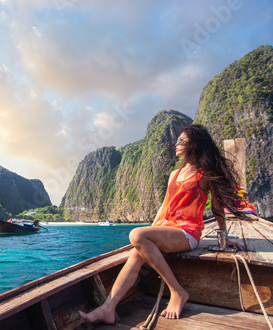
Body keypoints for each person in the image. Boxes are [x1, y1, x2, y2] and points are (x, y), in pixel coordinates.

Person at [79, 124, 243, 324]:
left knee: (136, 236)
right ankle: (108, 308)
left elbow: (218, 209)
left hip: (187, 233)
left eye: (182, 141)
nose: (177, 144)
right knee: (137, 250)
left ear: (195, 145)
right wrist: (150, 231)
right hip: (166, 230)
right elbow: (164, 206)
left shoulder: (205, 173)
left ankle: (177, 291)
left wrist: (224, 238)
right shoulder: (175, 173)